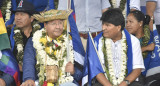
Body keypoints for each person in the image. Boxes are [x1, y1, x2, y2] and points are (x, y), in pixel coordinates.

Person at [21, 9, 83, 86]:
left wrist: (74, 71)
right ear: (45, 25)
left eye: (60, 23)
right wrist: (29, 78)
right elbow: (28, 61)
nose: (58, 27)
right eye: (53, 23)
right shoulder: (34, 40)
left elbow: (80, 72)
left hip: (66, 82)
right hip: (41, 81)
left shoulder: (70, 41)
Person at [91, 8, 145, 86]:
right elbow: (96, 70)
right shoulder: (97, 42)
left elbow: (137, 68)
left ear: (118, 27)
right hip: (104, 83)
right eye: (103, 24)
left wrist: (124, 83)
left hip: (127, 82)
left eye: (107, 25)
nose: (103, 28)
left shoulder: (133, 41)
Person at [7, 0, 40, 82]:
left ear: (31, 18)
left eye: (22, 14)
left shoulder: (40, 35)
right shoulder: (8, 33)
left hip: (36, 75)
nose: (18, 18)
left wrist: (26, 68)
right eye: (17, 14)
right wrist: (15, 66)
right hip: (12, 73)